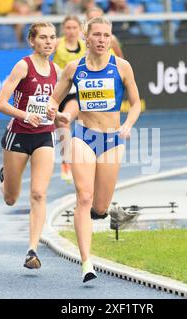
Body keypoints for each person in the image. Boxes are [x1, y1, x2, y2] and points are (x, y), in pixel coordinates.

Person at [47, 17, 141, 283]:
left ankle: (101, 214)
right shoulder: (74, 69)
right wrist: (58, 115)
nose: (102, 40)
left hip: (112, 139)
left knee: (99, 206)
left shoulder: (122, 67)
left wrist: (128, 124)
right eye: (97, 35)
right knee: (84, 197)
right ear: (85, 38)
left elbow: (135, 104)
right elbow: (53, 101)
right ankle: (86, 262)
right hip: (83, 136)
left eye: (106, 35)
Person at [0, 22, 59, 270]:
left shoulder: (57, 70)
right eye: (43, 37)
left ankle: (32, 249)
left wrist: (59, 115)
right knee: (11, 198)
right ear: (32, 41)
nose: (48, 42)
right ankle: (6, 177)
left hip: (44, 136)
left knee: (39, 193)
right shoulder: (23, 66)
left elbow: (57, 105)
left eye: (52, 37)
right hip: (18, 135)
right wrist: (23, 115)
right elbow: (0, 104)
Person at [53, 16, 86, 183]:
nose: (71, 31)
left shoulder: (86, 45)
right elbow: (39, 56)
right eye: (68, 28)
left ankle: (68, 161)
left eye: (74, 28)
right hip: (58, 93)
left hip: (76, 93)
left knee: (65, 120)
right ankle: (67, 157)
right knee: (59, 125)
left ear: (80, 29)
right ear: (63, 29)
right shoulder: (57, 43)